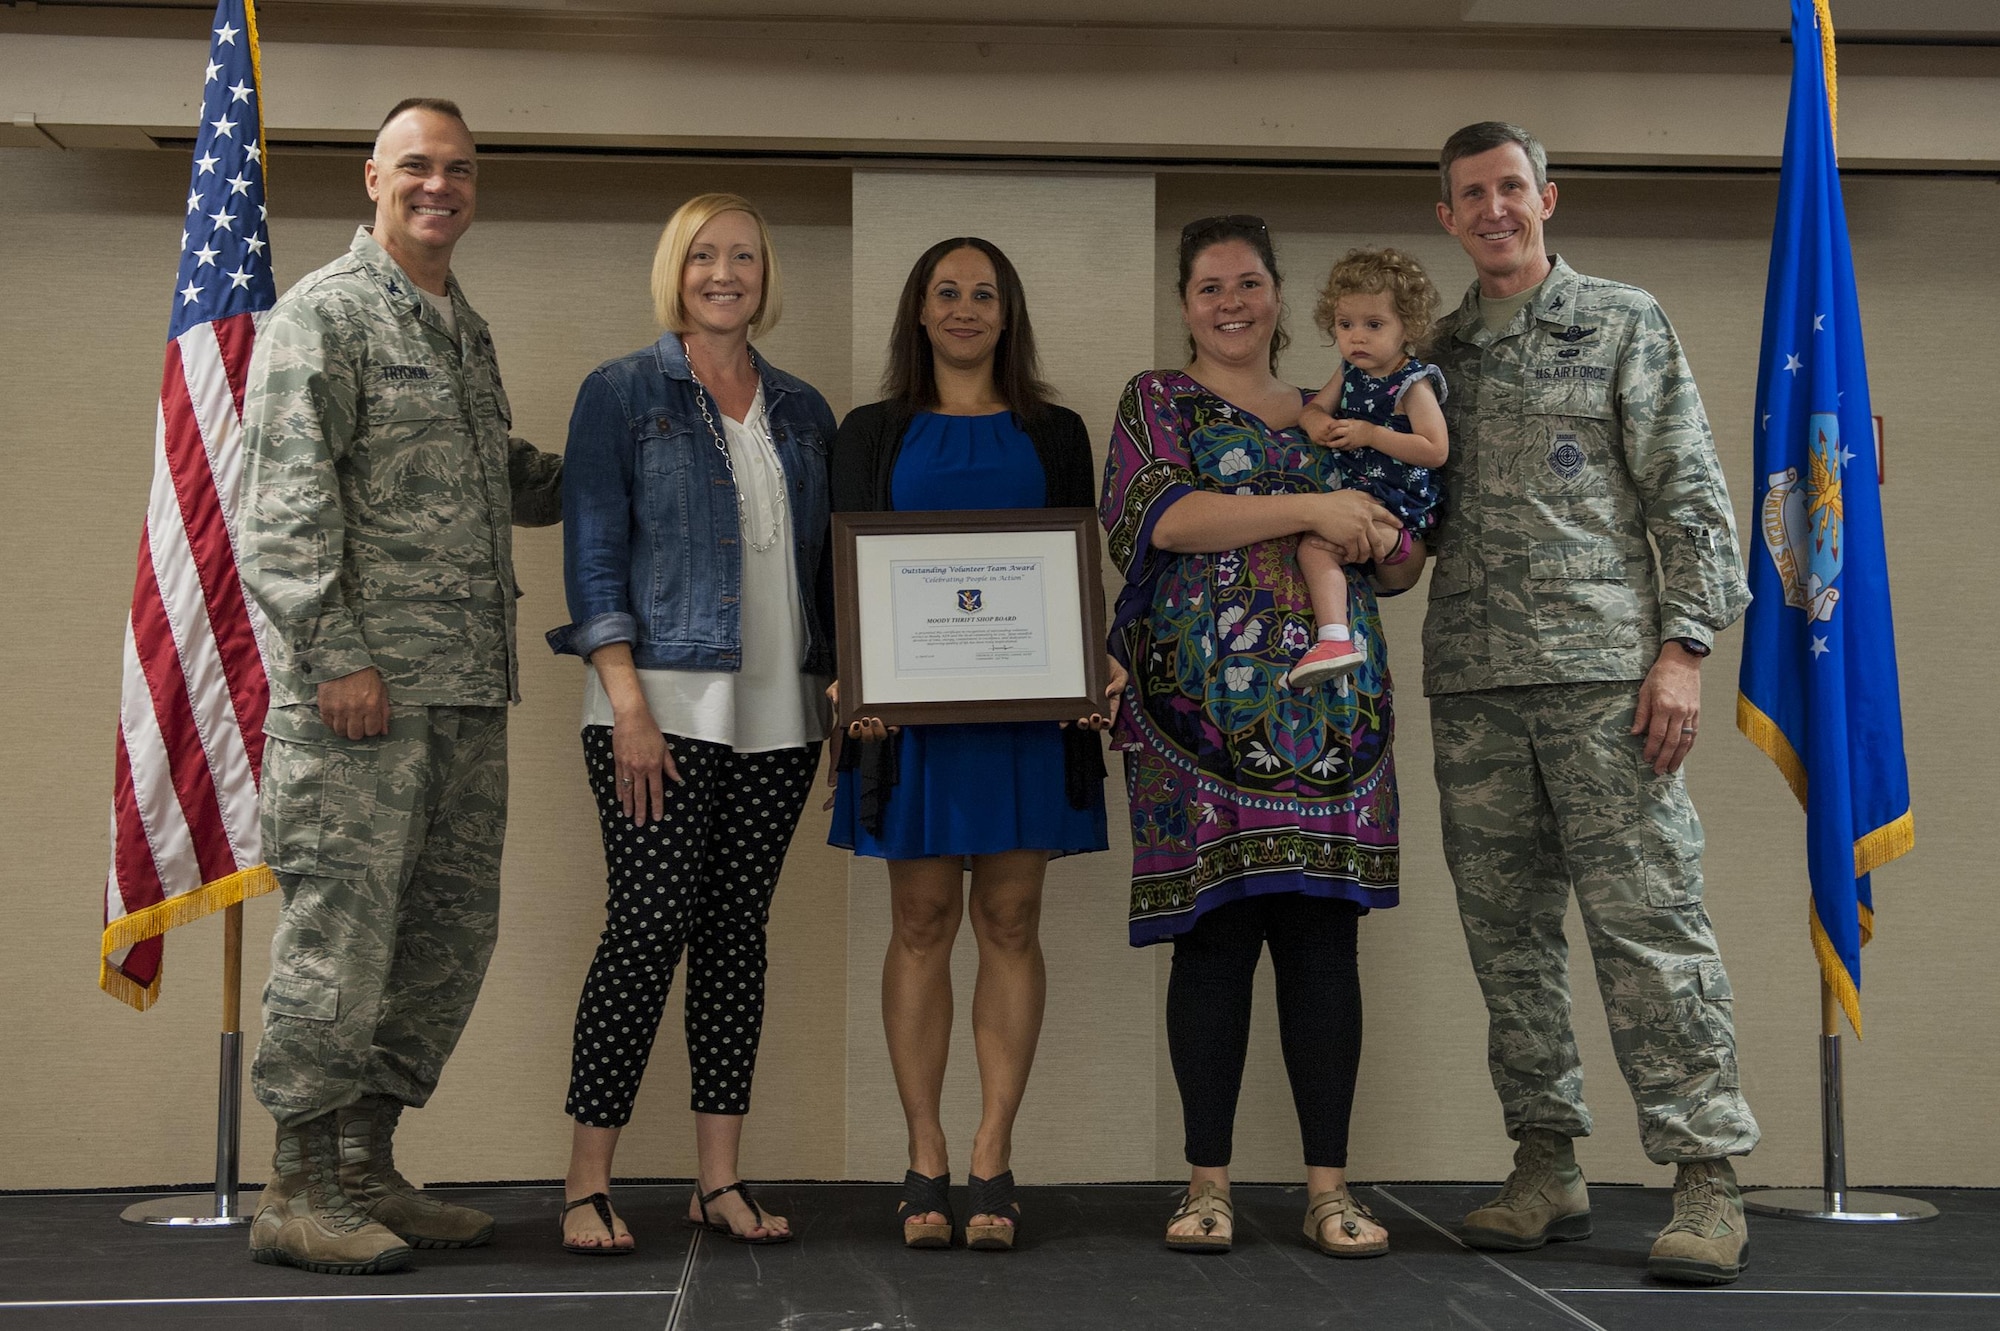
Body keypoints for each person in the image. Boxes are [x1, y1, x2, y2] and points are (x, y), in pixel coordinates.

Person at [1426, 121, 1759, 1285]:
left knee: (1648, 927)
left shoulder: (1622, 319)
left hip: (1605, 681)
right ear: (1447, 218)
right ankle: (1544, 1160)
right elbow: (1408, 519)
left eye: (1509, 187)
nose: (1492, 209)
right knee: (1506, 942)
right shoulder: (1436, 355)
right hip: (1471, 684)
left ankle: (1707, 1176)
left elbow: (1691, 498)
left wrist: (1682, 649)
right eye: (1470, 194)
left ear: (1546, 198)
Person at [239, 98, 563, 1275]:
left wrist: (622, 463)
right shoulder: (325, 316)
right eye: (417, 166)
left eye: (460, 169)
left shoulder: (459, 331)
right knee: (340, 939)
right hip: (360, 699)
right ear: (371, 177)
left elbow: (494, 481)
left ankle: (364, 1165)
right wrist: (338, 659)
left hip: (465, 691)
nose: (440, 186)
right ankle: (293, 1187)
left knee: (438, 938)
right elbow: (278, 512)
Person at [1099, 215, 1418, 1259]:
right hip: (1197, 723)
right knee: (1213, 943)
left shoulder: (1343, 411)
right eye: (1206, 287)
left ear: (1279, 296)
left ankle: (1329, 1188)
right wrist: (1314, 505)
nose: (1228, 302)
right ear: (1183, 302)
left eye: (1246, 282)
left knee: (1324, 947)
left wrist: (1377, 520)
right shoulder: (1156, 400)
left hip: (1332, 716)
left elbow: (1401, 555)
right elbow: (1163, 518)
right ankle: (1207, 1185)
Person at [546, 193, 835, 1253]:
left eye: (744, 256)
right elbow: (591, 553)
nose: (725, 272)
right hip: (655, 706)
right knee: (644, 928)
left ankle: (719, 1178)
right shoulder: (620, 392)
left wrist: (848, 683)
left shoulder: (804, 409)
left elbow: (824, 571)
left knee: (732, 938)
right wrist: (626, 702)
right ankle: (586, 1182)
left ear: (765, 274)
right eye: (704, 256)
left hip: (780, 712)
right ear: (676, 270)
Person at [828, 237, 1122, 1252]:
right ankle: (924, 1158)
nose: (963, 308)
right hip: (907, 723)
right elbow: (842, 583)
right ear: (917, 310)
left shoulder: (1056, 431)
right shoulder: (869, 431)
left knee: (1008, 916)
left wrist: (1092, 665)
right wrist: (849, 680)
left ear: (1008, 313)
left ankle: (993, 1156)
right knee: (917, 920)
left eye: (982, 293)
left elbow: (1076, 569)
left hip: (1023, 716)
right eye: (944, 292)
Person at [1289, 248, 1449, 687]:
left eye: (1374, 325)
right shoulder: (1349, 371)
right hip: (1358, 499)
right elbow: (1312, 408)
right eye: (1346, 325)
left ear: (1407, 328)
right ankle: (1335, 638)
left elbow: (1435, 449)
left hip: (1399, 506)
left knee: (1317, 548)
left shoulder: (1412, 383)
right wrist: (1318, 422)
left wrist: (1371, 434)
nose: (1357, 338)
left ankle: (1335, 636)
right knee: (1313, 548)